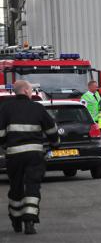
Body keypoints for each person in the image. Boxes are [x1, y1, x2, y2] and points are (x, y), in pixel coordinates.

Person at [0, 80, 59, 234]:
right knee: (32, 186)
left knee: (16, 187)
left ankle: (16, 221)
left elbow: (0, 134)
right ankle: (30, 221)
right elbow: (51, 130)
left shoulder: (5, 108)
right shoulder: (37, 108)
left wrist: (5, 144)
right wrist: (55, 144)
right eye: (31, 90)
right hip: (34, 155)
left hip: (13, 155)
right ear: (26, 91)